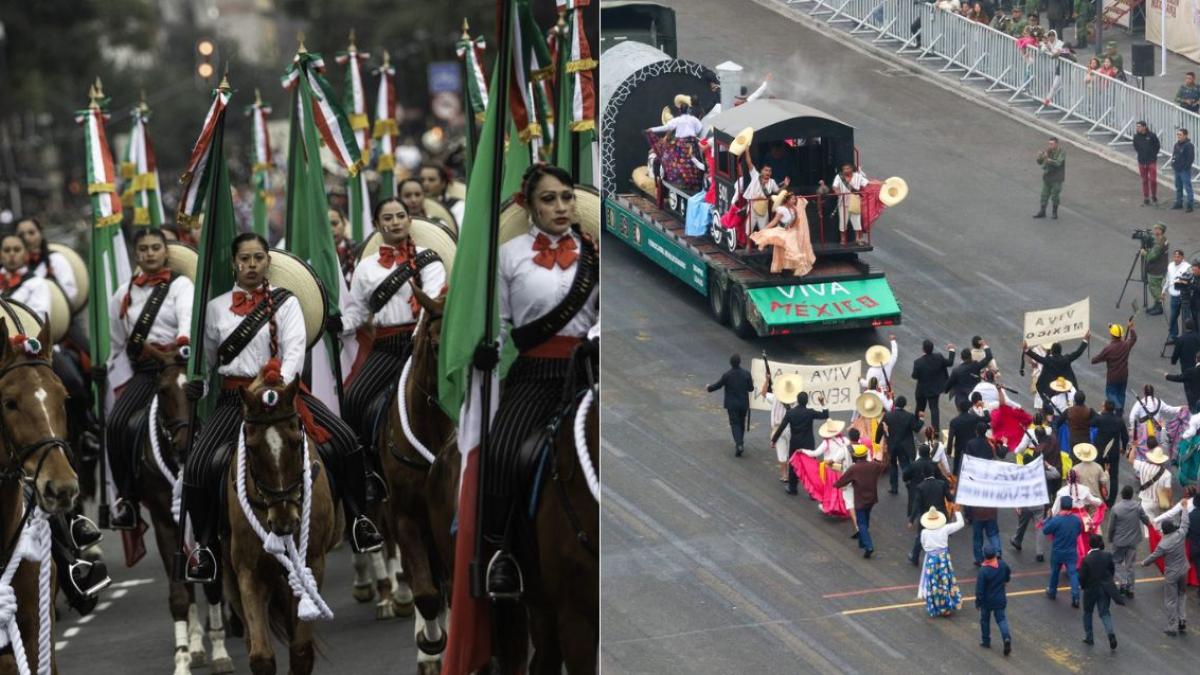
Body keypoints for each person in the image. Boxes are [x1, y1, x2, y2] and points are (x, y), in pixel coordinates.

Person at [180, 232, 384, 584]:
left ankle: (357, 518)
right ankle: (206, 547)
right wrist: (197, 380)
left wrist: (279, 387)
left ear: (268, 262)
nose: (252, 265)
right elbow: (210, 361)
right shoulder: (214, 309)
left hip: (283, 396)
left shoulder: (285, 303)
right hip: (235, 400)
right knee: (199, 466)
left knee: (346, 441)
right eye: (244, 259)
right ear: (234, 264)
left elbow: (293, 350)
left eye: (258, 257)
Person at [480, 164, 599, 597]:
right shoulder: (509, 256)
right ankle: (502, 552)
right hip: (533, 374)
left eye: (567, 197)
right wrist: (487, 349)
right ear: (529, 205)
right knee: (504, 450)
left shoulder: (594, 254)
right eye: (549, 199)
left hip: (587, 371)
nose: (561, 206)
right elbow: (499, 321)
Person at [333, 198, 445, 490]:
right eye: (388, 217)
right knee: (353, 399)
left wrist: (418, 339)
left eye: (400, 216)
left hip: (422, 344)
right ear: (376, 225)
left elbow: (433, 302)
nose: (395, 222)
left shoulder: (430, 259)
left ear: (409, 220)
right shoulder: (366, 267)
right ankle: (367, 473)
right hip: (385, 345)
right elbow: (357, 312)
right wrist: (339, 325)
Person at [102, 228, 194, 529]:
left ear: (166, 251)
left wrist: (181, 344)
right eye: (144, 249)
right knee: (116, 423)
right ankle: (127, 499)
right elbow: (118, 341)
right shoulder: (122, 294)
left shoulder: (181, 286)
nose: (151, 253)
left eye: (156, 247)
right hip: (145, 372)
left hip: (180, 365)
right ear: (136, 254)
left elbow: (187, 319)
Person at [1012, 430, 1065, 561]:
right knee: (1040, 527)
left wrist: (1018, 504)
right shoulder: (1041, 472)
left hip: (1026, 502)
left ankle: (1017, 540)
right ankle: (1039, 552)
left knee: (1022, 525)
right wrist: (1047, 465)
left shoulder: (1023, 475)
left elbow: (1018, 490)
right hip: (1040, 502)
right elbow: (1057, 474)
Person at [1143, 496, 1192, 636]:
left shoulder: (1163, 544)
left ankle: (1172, 626)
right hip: (1184, 569)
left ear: (1164, 531)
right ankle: (1182, 620)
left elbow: (1154, 557)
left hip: (1171, 573)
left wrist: (1144, 563)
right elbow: (1185, 523)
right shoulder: (1180, 534)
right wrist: (1184, 508)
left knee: (1171, 600)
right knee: (1182, 595)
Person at [835, 442, 889, 558]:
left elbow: (840, 483)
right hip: (872, 499)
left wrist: (836, 485)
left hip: (860, 500)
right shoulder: (873, 465)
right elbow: (884, 466)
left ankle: (868, 545)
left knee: (861, 523)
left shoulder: (854, 468)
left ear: (856, 456)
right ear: (865, 455)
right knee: (866, 520)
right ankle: (862, 542)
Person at [773, 390, 830, 495]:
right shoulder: (810, 412)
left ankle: (792, 488)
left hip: (795, 443)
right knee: (811, 467)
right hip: (808, 443)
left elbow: (781, 427)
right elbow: (825, 415)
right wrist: (822, 403)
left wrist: (774, 440)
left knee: (793, 465)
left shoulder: (790, 413)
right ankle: (813, 492)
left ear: (798, 401)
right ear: (807, 401)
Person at [749, 190, 815, 276]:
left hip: (791, 231)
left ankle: (792, 269)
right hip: (782, 231)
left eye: (794, 199)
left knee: (793, 250)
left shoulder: (793, 209)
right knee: (783, 249)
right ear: (787, 200)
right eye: (792, 199)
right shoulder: (782, 210)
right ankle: (782, 269)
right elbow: (774, 221)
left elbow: (796, 221)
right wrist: (764, 229)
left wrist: (796, 213)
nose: (794, 201)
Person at [14, 216, 78, 300]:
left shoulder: (56, 260)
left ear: (40, 233)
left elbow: (70, 293)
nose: (27, 238)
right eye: (21, 235)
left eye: (31, 232)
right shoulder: (11, 266)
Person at [917, 506, 965, 617]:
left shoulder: (924, 532)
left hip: (931, 560)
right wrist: (957, 512)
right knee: (945, 581)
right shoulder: (945, 529)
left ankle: (937, 606)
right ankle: (947, 606)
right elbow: (961, 524)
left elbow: (924, 546)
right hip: (943, 559)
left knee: (933, 582)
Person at [1107, 484, 1151, 598]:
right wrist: (1151, 526)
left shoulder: (1116, 508)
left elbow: (1111, 527)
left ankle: (1123, 582)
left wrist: (1110, 538)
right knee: (1130, 565)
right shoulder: (1137, 506)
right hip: (1132, 541)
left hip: (1119, 541)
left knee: (1116, 562)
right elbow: (1145, 519)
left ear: (1122, 495)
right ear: (1131, 495)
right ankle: (1130, 588)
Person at [1079, 534, 1122, 649]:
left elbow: (1082, 577)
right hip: (1104, 588)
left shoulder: (1086, 559)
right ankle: (1111, 634)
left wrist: (1083, 586)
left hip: (1090, 589)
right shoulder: (1107, 556)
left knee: (1088, 612)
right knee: (1104, 613)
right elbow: (1111, 570)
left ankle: (1089, 637)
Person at [908, 454, 951, 565]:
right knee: (942, 536)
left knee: (920, 536)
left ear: (924, 474)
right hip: (941, 515)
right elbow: (950, 498)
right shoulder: (941, 484)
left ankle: (915, 557)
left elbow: (916, 505)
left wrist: (911, 520)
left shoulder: (921, 487)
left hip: (926, 516)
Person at [1023, 335, 1089, 409]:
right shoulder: (1066, 359)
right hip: (1065, 386)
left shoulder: (1048, 360)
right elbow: (1078, 353)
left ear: (1052, 351)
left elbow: (1037, 358)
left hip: (1050, 389)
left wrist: (1026, 350)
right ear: (1060, 351)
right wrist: (1085, 340)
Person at [709, 353, 755, 456]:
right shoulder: (747, 374)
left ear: (731, 363)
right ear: (740, 362)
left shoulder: (727, 375)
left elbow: (718, 385)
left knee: (734, 424)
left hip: (732, 404)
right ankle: (740, 441)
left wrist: (709, 388)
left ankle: (739, 444)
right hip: (743, 403)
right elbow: (750, 389)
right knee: (741, 423)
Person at [876, 395, 924, 495]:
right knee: (905, 465)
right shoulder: (909, 416)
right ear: (904, 405)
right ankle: (909, 484)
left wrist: (877, 440)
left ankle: (894, 488)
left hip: (892, 445)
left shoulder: (888, 415)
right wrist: (921, 419)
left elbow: (880, 428)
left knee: (893, 465)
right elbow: (917, 428)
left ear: (896, 403)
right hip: (905, 446)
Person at [1043, 496, 1085, 606]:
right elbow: (1079, 531)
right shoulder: (1076, 520)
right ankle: (1075, 597)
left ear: (1061, 506)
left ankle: (1052, 592)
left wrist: (1048, 518)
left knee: (1055, 572)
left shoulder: (1057, 520)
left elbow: (1045, 530)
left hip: (1058, 551)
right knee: (1073, 574)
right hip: (1071, 551)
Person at [0, 233, 50, 321]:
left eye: (17, 250)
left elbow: (38, 320)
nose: (12, 254)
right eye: (7, 250)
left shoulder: (37, 283)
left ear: (26, 254)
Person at [975, 544, 1013, 654]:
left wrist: (978, 602)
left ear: (985, 555)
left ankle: (986, 641)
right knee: (1001, 620)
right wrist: (1006, 580)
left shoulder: (983, 571)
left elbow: (980, 589)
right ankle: (1006, 637)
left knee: (985, 620)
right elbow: (1008, 574)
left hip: (986, 601)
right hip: (999, 598)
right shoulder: (1002, 565)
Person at [911, 340, 956, 430]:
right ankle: (935, 430)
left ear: (923, 349)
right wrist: (951, 350)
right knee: (934, 409)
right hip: (934, 389)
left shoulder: (918, 362)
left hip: (922, 390)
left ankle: (915, 426)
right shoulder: (938, 357)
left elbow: (914, 376)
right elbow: (950, 362)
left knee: (920, 407)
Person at [739, 152, 783, 239]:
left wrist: (785, 185)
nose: (768, 172)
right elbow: (749, 162)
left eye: (770, 171)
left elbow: (778, 192)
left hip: (764, 208)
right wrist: (747, 150)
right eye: (766, 170)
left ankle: (762, 246)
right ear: (761, 171)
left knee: (764, 230)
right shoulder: (755, 176)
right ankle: (748, 246)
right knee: (749, 228)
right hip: (752, 206)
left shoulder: (772, 182)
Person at [1091, 401, 1127, 505]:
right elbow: (1125, 437)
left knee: (1098, 474)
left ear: (1105, 408)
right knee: (1114, 476)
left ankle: (1100, 497)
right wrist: (1124, 448)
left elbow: (1091, 423)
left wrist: (1098, 414)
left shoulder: (1100, 419)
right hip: (1113, 452)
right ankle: (1110, 502)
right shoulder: (1119, 421)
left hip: (1100, 452)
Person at [762, 373, 797, 482]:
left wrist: (767, 380)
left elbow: (763, 393)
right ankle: (792, 474)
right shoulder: (795, 401)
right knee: (790, 452)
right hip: (791, 429)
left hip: (778, 429)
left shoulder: (776, 397)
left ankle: (784, 475)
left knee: (782, 452)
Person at [945, 342, 994, 410]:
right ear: (971, 356)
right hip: (975, 400)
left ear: (961, 358)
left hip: (961, 401)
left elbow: (946, 387)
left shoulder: (956, 370)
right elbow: (989, 357)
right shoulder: (976, 365)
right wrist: (985, 345)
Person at [832, 163, 868, 245]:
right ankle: (843, 239)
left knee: (857, 221)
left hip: (855, 201)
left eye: (848, 168)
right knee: (843, 221)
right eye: (844, 169)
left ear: (852, 169)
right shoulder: (839, 177)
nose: (846, 170)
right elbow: (835, 186)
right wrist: (838, 193)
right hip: (843, 202)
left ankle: (857, 239)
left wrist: (879, 184)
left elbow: (867, 183)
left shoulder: (858, 176)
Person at [1033, 138, 1066, 219]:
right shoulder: (1048, 151)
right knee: (1044, 195)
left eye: (1052, 144)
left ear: (1056, 144)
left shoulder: (1061, 152)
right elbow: (1040, 162)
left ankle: (1055, 213)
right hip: (1047, 177)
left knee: (1055, 196)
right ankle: (1042, 211)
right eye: (1049, 144)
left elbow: (1058, 163)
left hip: (1056, 178)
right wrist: (1040, 157)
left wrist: (1048, 159)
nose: (1050, 146)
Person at [1133, 122, 1162, 206]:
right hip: (1142, 161)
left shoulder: (1152, 135)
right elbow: (1136, 147)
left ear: (1144, 127)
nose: (1137, 128)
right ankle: (1146, 197)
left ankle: (1154, 196)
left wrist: (1153, 155)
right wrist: (1141, 154)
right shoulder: (1136, 137)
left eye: (1139, 126)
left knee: (1153, 180)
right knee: (1144, 180)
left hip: (1151, 161)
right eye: (1137, 126)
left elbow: (1157, 146)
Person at [329, 208, 357, 286]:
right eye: (326, 226)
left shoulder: (357, 250)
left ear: (344, 223)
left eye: (335, 224)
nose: (331, 229)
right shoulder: (316, 258)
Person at [1167, 249, 1190, 340]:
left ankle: (1185, 337)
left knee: (1186, 318)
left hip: (1184, 296)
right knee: (1173, 317)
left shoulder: (1188, 267)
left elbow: (1190, 280)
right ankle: (1173, 335)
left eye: (1178, 256)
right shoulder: (1170, 265)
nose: (1176, 258)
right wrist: (1163, 291)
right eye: (1175, 256)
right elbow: (1168, 278)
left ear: (1182, 257)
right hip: (1174, 297)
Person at [1171, 128, 1195, 212]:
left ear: (1185, 135)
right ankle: (1179, 203)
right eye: (1178, 135)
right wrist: (1173, 164)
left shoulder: (1189, 145)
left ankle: (1190, 205)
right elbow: (1174, 155)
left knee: (1188, 187)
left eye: (1180, 135)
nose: (1178, 136)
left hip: (1184, 170)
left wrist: (1185, 167)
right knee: (1178, 187)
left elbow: (1190, 158)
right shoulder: (1176, 145)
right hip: (1177, 169)